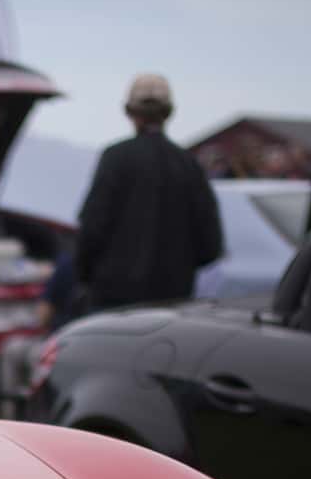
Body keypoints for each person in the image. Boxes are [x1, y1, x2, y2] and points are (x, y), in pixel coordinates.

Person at [75, 74, 222, 311]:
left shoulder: (115, 158)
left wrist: (84, 276)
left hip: (114, 302)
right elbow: (210, 245)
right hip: (173, 302)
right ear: (169, 113)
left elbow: (92, 229)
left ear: (129, 112)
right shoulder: (188, 164)